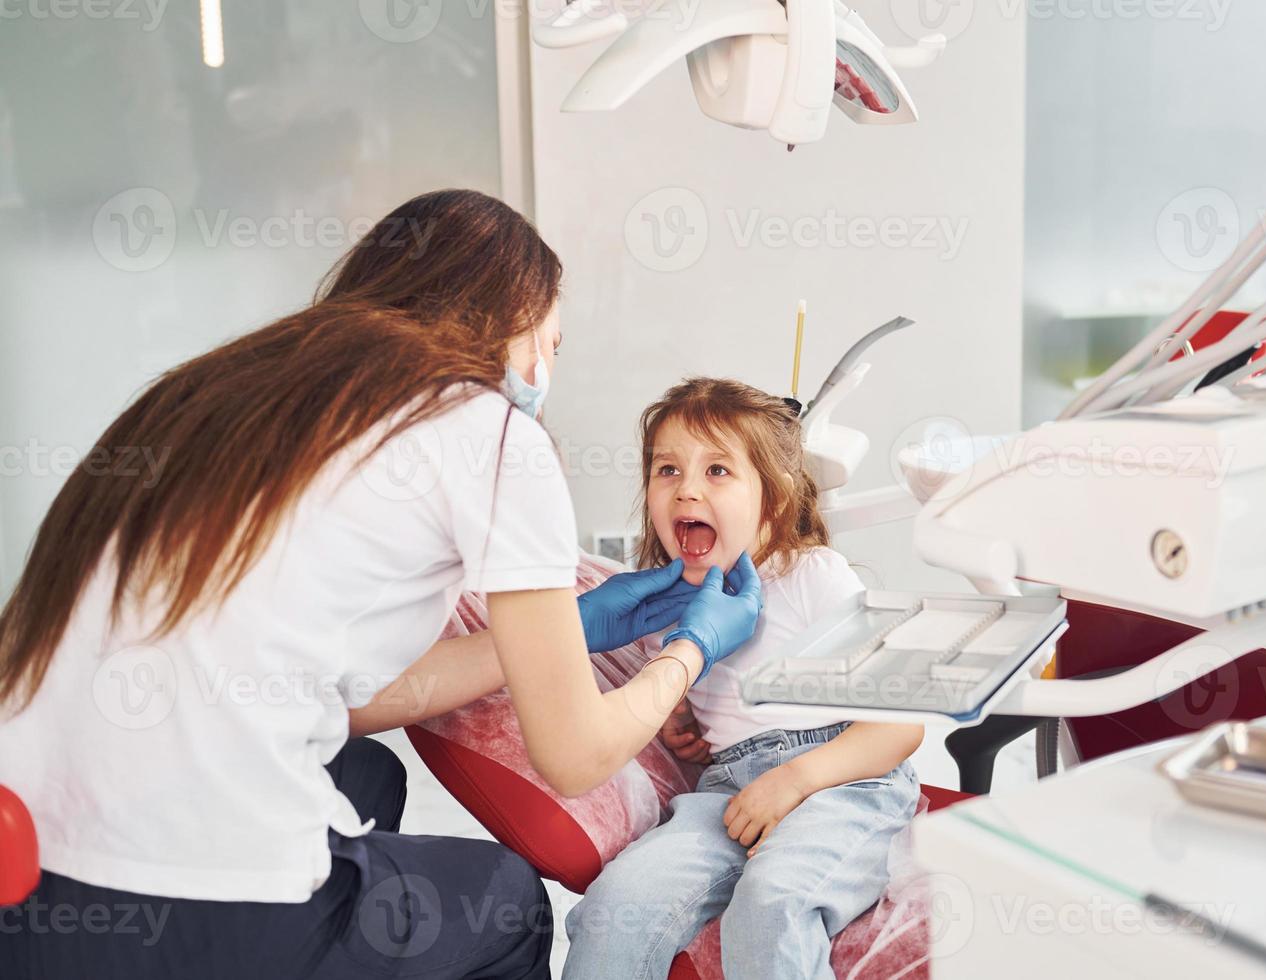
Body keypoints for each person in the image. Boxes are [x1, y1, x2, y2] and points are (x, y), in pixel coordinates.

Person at [0, 190, 762, 979]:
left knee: (365, 774)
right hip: (194, 903)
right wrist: (692, 649)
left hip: (27, 879)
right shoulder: (493, 433)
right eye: (553, 344)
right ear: (515, 328)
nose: (546, 373)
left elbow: (347, 703)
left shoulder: (218, 398)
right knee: (505, 905)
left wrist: (561, 631)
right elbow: (573, 757)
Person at [562, 379, 923, 980]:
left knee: (772, 901)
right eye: (667, 470)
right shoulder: (660, 609)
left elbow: (901, 721)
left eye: (719, 471)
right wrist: (680, 724)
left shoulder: (813, 576)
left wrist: (795, 779)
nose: (688, 490)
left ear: (773, 501)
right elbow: (686, 702)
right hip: (724, 793)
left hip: (841, 780)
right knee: (614, 909)